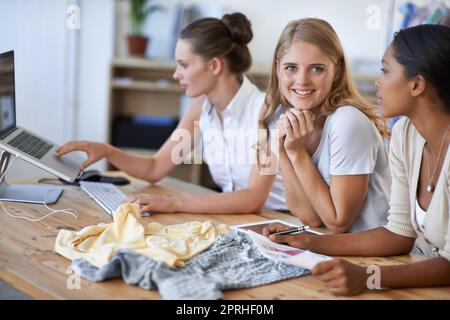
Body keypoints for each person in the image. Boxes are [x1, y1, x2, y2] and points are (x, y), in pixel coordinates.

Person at [263, 24, 450, 296]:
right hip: (412, 264)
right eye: (291, 67)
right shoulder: (405, 134)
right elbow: (398, 233)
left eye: (385, 71)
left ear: (416, 85)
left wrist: (368, 277)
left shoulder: (348, 121)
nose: (377, 81)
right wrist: (305, 241)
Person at [56, 13, 286, 214]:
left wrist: (172, 203)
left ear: (214, 66)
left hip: (281, 223)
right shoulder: (200, 109)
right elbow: (156, 168)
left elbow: (254, 197)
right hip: (241, 221)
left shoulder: (264, 111)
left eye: (184, 65)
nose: (176, 74)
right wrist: (107, 151)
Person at [258, 18, 390, 233]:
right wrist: (284, 150)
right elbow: (310, 218)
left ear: (336, 71)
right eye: (291, 67)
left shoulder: (347, 121)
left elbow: (338, 222)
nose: (302, 80)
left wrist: (297, 153)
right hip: (337, 250)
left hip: (383, 258)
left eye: (316, 69)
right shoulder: (286, 117)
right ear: (277, 68)